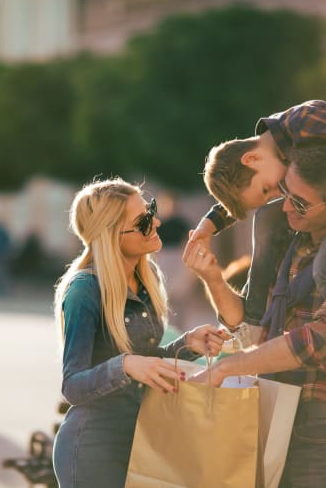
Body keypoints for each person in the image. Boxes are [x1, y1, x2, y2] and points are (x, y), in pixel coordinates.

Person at [185, 143, 326, 487]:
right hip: (267, 413)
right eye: (286, 192)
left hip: (320, 433)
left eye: (300, 202)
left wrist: (228, 367)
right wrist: (212, 278)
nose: (284, 205)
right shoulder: (290, 244)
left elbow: (317, 340)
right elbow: (249, 326)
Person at [186, 99, 326, 417]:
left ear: (252, 157)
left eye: (268, 190)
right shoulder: (272, 153)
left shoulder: (305, 122)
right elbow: (245, 191)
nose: (277, 197)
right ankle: (254, 320)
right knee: (265, 218)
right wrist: (207, 226)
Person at [52, 178, 227, 488]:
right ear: (111, 235)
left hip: (142, 438)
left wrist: (187, 344)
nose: (156, 221)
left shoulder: (145, 280)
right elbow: (72, 385)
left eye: (151, 211)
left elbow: (146, 363)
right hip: (93, 449)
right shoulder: (85, 290)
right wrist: (124, 365)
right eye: (144, 221)